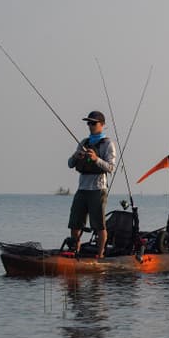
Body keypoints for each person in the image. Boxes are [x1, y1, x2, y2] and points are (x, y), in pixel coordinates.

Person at [67, 111, 117, 258]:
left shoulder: (108, 144)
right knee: (75, 224)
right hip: (82, 189)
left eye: (93, 123)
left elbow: (111, 168)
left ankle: (100, 255)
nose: (90, 126)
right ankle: (75, 251)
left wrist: (96, 159)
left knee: (99, 225)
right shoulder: (83, 142)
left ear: (102, 125)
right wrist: (76, 156)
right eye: (88, 123)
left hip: (98, 189)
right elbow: (70, 164)